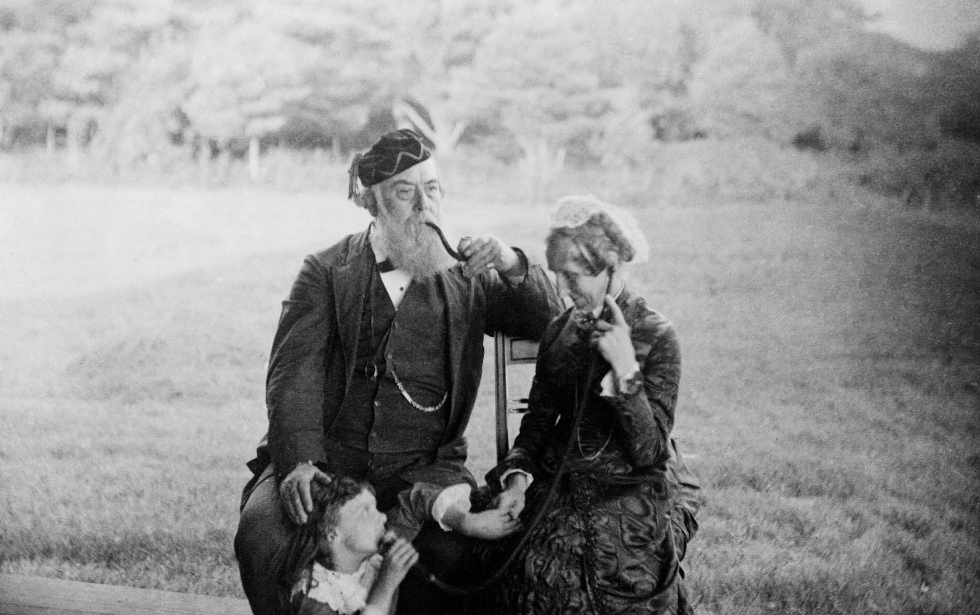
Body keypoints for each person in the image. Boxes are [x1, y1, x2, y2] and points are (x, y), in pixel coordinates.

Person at [234, 128, 562, 615]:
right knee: (266, 535)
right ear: (373, 203)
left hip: (425, 470)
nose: (424, 206)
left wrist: (513, 264)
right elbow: (292, 375)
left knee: (457, 554)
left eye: (432, 190)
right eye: (405, 192)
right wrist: (302, 459)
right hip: (329, 465)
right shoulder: (326, 271)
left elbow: (554, 324)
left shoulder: (467, 277)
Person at [479, 194, 701, 614]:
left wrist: (624, 369)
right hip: (557, 480)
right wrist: (517, 480)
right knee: (503, 561)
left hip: (627, 491)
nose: (561, 291)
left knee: (576, 583)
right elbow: (539, 422)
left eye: (573, 276)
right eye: (557, 275)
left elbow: (648, 451)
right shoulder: (559, 329)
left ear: (612, 265)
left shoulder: (657, 334)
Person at [280, 476, 419, 615]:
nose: (383, 517)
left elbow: (411, 510)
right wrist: (385, 586)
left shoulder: (372, 559)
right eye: (365, 512)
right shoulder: (316, 597)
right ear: (332, 533)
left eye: (375, 508)